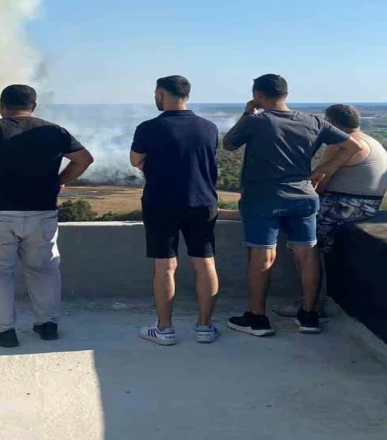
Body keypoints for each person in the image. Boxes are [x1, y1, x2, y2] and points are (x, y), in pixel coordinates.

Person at [0, 84, 94, 348]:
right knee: (44, 269)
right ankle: (48, 325)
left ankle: (3, 331)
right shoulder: (53, 131)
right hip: (41, 212)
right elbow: (84, 159)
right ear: (33, 106)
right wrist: (60, 181)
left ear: (2, 106)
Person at [222, 74, 362, 336]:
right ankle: (309, 316)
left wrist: (246, 113)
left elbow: (228, 144)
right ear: (285, 94)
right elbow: (352, 145)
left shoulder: (257, 120)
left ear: (257, 94)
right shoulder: (313, 121)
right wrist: (320, 171)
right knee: (307, 254)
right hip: (304, 197)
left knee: (263, 254)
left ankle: (257, 318)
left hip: (263, 198)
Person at [129, 75, 221, 346]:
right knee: (205, 263)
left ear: (160, 94)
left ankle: (165, 329)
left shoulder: (148, 128)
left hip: (161, 202)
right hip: (203, 202)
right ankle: (204, 327)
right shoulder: (209, 127)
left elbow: (136, 160)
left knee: (165, 265)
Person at [312, 104, 387, 252]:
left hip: (342, 205)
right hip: (369, 206)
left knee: (303, 241)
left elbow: (320, 179)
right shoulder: (372, 142)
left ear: (332, 123)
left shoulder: (341, 144)